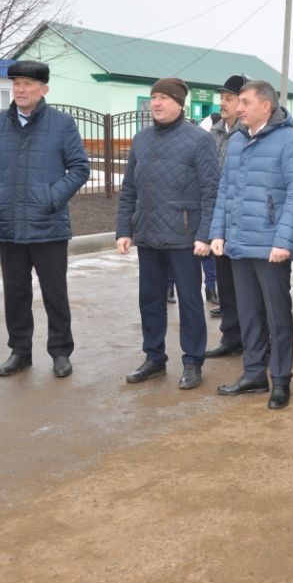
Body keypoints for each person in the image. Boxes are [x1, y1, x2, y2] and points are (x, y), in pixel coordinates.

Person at [0, 60, 90, 378]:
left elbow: (80, 167)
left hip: (48, 225)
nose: (21, 90)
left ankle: (60, 352)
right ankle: (20, 351)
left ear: (44, 89)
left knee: (55, 292)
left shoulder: (62, 123)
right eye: (16, 84)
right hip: (9, 224)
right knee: (15, 292)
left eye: (27, 84)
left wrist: (52, 197)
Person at [210, 80, 293, 409]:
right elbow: (225, 191)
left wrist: (284, 240)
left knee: (276, 314)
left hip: (271, 247)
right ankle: (254, 374)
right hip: (239, 243)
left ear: (265, 106)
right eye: (237, 102)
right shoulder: (237, 140)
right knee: (248, 313)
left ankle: (280, 380)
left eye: (245, 102)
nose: (238, 108)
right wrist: (218, 233)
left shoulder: (291, 141)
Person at [114, 77, 219, 389]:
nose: (156, 103)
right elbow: (129, 188)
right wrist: (124, 228)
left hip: (185, 236)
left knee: (189, 299)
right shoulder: (141, 139)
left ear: (179, 103)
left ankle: (192, 361)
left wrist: (204, 234)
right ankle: (154, 358)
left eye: (163, 98)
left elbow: (212, 190)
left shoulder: (199, 141)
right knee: (150, 298)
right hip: (147, 234)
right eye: (153, 97)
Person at [205, 74, 249, 356]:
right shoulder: (214, 133)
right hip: (219, 220)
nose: (223, 103)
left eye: (229, 98)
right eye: (222, 97)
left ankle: (255, 340)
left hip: (244, 222)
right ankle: (231, 338)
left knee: (249, 289)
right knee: (227, 286)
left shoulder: (250, 134)